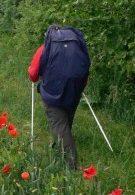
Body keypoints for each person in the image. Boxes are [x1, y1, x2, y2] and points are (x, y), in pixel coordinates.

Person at [28, 25, 90, 170]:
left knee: (60, 126)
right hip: (74, 90)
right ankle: (57, 146)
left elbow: (33, 75)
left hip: (52, 93)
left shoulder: (44, 49)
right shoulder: (76, 47)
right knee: (66, 121)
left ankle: (72, 166)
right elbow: (84, 68)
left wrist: (30, 71)